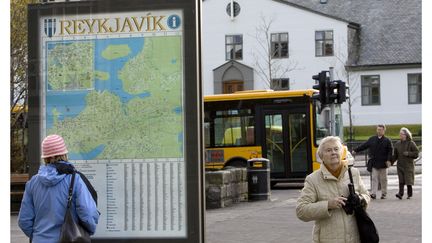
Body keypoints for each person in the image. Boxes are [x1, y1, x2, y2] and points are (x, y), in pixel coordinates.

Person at [18, 134, 100, 243]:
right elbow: (88, 213)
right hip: (69, 239)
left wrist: (38, 236)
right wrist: (89, 230)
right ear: (64, 154)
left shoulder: (33, 182)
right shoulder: (75, 179)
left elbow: (24, 220)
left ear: (45, 157)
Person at [296, 136, 370, 243]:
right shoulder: (313, 180)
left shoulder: (353, 173)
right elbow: (301, 210)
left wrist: (360, 199)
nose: (333, 153)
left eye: (336, 149)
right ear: (321, 156)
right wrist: (328, 205)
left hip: (355, 238)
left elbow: (366, 195)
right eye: (328, 150)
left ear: (342, 152)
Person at [352, 124, 393, 199]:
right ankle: (373, 193)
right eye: (378, 129)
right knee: (374, 178)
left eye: (380, 130)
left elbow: (390, 151)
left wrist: (389, 160)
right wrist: (356, 150)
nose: (379, 131)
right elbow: (364, 145)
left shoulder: (387, 140)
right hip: (374, 163)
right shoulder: (372, 139)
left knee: (383, 179)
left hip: (383, 163)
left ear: (384, 130)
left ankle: (384, 193)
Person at [392, 127, 419, 199]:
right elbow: (395, 155)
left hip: (408, 165)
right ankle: (400, 194)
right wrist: (390, 162)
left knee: (408, 180)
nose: (400, 135)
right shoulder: (397, 144)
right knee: (401, 180)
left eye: (402, 134)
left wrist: (408, 153)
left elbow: (416, 153)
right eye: (400, 134)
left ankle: (409, 194)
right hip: (400, 165)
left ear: (406, 135)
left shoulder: (411, 143)